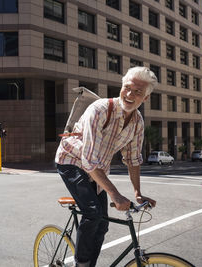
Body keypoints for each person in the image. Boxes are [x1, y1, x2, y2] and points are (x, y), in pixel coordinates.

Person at [55, 66, 158, 267]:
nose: (130, 95)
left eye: (138, 92)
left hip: (97, 169)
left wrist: (137, 193)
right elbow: (89, 161)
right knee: (93, 212)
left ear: (145, 98)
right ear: (121, 86)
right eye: (127, 88)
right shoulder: (100, 109)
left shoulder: (137, 122)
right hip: (71, 161)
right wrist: (115, 194)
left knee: (102, 225)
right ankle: (82, 265)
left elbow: (133, 159)